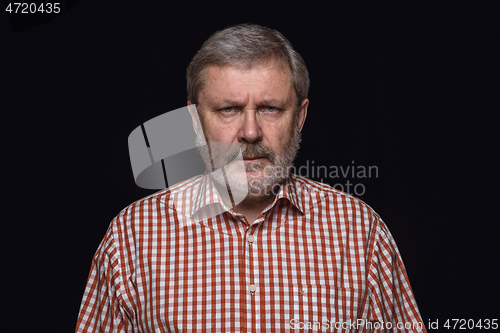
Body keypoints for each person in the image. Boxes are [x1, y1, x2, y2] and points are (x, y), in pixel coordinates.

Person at [75, 23, 426, 332]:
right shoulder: (132, 237)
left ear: (299, 118)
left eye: (269, 108)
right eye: (228, 109)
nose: (250, 131)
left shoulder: (359, 232)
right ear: (195, 122)